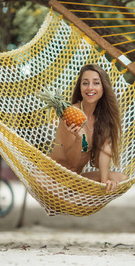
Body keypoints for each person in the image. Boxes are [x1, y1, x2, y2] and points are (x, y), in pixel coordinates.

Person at [48, 64, 127, 192]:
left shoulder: (103, 118)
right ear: (80, 88)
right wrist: (78, 139)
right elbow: (72, 162)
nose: (90, 87)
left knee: (121, 179)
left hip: (75, 181)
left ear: (103, 88)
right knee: (64, 195)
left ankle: (72, 199)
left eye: (96, 83)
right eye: (85, 83)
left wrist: (104, 181)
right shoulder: (70, 114)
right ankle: (66, 200)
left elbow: (104, 150)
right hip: (53, 178)